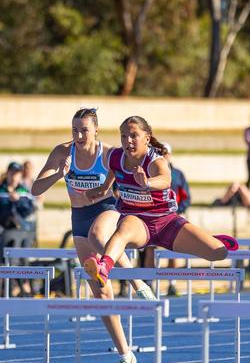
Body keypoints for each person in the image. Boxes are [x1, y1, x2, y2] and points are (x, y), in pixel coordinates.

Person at [31, 108, 155, 363]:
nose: (78, 135)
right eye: (74, 129)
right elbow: (35, 189)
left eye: (84, 130)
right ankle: (125, 353)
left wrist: (110, 189)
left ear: (96, 130)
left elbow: (128, 175)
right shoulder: (63, 153)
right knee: (101, 292)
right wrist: (58, 174)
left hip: (107, 211)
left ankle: (137, 282)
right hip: (79, 218)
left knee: (99, 236)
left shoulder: (108, 152)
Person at [83, 115, 239, 292]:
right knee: (124, 228)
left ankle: (211, 240)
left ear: (147, 139)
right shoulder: (115, 156)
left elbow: (165, 180)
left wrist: (147, 183)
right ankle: (103, 268)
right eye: (124, 136)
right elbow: (113, 172)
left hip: (166, 223)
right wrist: (103, 189)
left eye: (134, 136)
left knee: (218, 253)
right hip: (138, 222)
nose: (128, 141)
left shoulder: (157, 162)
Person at [141, 142, 192, 296]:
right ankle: (149, 282)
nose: (163, 156)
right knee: (150, 249)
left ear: (169, 155)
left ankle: (172, 283)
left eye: (165, 153)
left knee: (172, 249)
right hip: (153, 216)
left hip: (172, 216)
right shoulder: (149, 171)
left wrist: (177, 210)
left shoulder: (177, 174)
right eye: (160, 153)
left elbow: (186, 198)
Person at [0, 162, 37, 232]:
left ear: (20, 175)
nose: (13, 176)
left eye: (16, 173)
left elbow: (30, 210)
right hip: (3, 231)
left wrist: (18, 200)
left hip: (22, 230)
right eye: (11, 173)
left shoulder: (25, 192)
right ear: (7, 173)